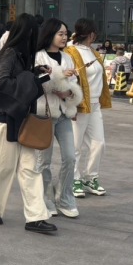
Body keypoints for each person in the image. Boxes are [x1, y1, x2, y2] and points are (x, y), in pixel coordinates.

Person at [0, 14, 56, 234]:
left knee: (30, 168)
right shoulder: (11, 53)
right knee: (2, 167)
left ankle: (36, 217)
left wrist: (34, 74)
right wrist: (31, 78)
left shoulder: (19, 54)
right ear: (28, 33)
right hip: (6, 119)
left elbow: (16, 82)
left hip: (20, 118)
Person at [34, 19, 83, 218]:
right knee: (43, 161)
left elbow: (74, 84)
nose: (64, 37)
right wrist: (60, 78)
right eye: (60, 34)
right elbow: (40, 83)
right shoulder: (38, 56)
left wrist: (69, 92)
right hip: (44, 114)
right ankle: (45, 200)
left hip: (64, 114)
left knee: (70, 158)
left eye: (65, 34)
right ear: (50, 34)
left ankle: (65, 198)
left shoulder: (67, 57)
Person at [65, 18, 111, 198]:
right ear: (91, 34)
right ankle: (74, 178)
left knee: (98, 143)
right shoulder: (71, 52)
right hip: (79, 105)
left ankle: (90, 177)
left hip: (95, 104)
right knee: (76, 145)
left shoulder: (94, 52)